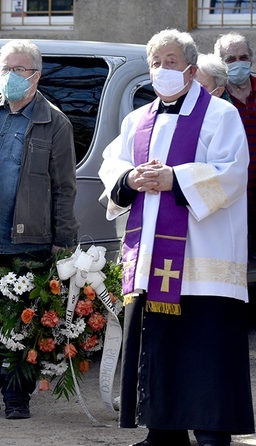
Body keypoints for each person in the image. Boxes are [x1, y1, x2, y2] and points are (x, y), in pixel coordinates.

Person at [99, 29, 255, 446]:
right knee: (160, 345)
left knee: (204, 351)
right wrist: (130, 177)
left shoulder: (221, 115)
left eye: (171, 62)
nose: (163, 69)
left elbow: (233, 172)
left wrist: (175, 179)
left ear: (190, 69)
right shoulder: (137, 120)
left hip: (205, 262)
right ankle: (162, 433)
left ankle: (210, 432)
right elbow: (110, 165)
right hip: (154, 260)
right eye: (156, 62)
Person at [0, 39, 79, 420]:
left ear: (36, 74)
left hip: (28, 240)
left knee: (23, 323)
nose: (9, 77)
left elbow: (64, 188)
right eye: (4, 68)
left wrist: (64, 243)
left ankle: (17, 396)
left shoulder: (54, 122)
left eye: (19, 69)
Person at [214, 32, 256, 260]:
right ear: (221, 63)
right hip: (232, 196)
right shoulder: (215, 99)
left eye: (243, 57)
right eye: (230, 59)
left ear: (251, 58)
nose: (238, 63)